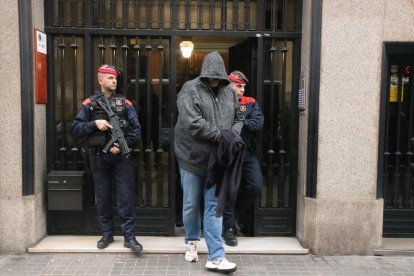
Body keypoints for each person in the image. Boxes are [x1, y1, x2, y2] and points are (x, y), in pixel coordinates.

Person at [174, 51, 242, 273]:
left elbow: (240, 117)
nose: (214, 80)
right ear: (204, 73)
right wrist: (221, 136)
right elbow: (192, 122)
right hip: (191, 157)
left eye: (218, 77)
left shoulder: (230, 93)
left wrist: (232, 135)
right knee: (191, 203)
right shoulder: (190, 89)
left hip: (218, 160)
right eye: (210, 76)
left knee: (214, 206)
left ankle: (216, 255)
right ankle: (191, 241)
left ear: (223, 76)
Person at [72, 64, 143, 252]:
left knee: (125, 196)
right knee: (102, 197)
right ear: (100, 80)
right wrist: (94, 124)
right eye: (110, 78)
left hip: (120, 158)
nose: (114, 81)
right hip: (98, 157)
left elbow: (136, 130)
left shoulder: (125, 103)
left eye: (116, 79)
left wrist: (120, 145)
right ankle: (107, 234)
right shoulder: (90, 103)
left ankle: (130, 237)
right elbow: (76, 128)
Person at [222, 70, 264, 247]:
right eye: (238, 86)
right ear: (229, 86)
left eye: (243, 86)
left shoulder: (250, 102)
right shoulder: (221, 100)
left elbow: (258, 122)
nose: (242, 89)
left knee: (255, 185)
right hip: (228, 154)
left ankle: (235, 215)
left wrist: (240, 123)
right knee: (230, 192)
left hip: (246, 153)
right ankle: (228, 229)